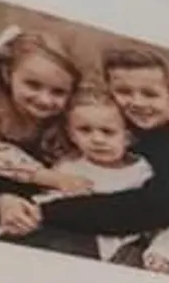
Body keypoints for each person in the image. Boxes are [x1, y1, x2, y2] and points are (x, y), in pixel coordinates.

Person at [0, 45, 169, 276]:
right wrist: (7, 196)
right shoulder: (91, 122)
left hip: (136, 248)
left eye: (149, 94)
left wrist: (46, 211)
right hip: (74, 236)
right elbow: (20, 158)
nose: (137, 102)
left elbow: (156, 209)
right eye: (123, 92)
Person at [0, 26, 80, 243]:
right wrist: (51, 178)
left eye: (58, 92)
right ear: (8, 73)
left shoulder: (62, 119)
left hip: (14, 190)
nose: (45, 99)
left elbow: (59, 157)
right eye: (33, 85)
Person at [13, 90, 158, 262]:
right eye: (85, 130)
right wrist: (24, 216)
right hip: (69, 240)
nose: (97, 139)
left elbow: (161, 220)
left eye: (107, 131)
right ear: (71, 134)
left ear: (127, 137)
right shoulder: (68, 166)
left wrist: (164, 254)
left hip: (121, 248)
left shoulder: (141, 171)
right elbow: (49, 201)